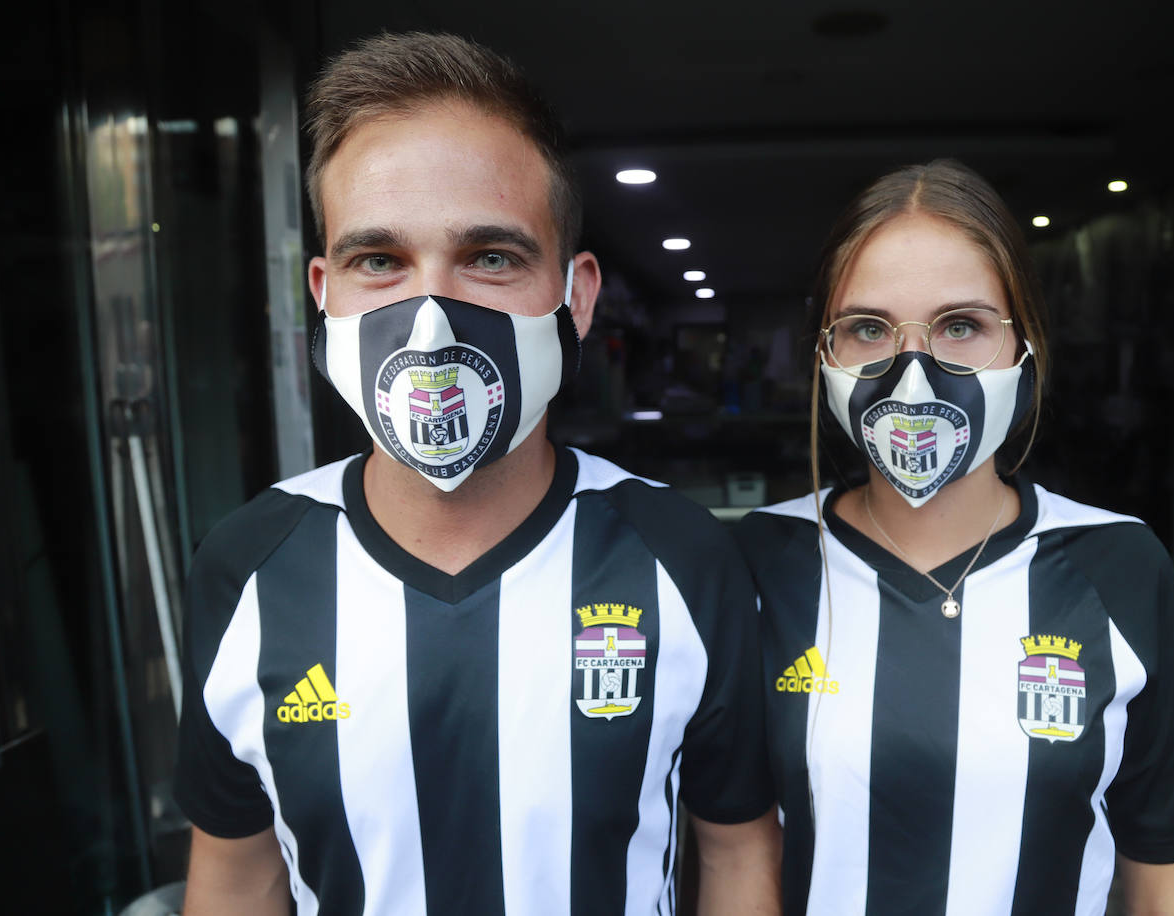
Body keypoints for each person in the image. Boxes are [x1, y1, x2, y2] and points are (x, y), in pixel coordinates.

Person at [174, 31, 780, 915]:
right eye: (378, 261)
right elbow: (236, 875)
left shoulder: (680, 554)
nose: (431, 322)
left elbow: (733, 856)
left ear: (574, 296)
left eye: (491, 257)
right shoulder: (248, 564)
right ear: (324, 293)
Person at [734, 160, 1174, 915]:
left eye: (962, 325)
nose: (913, 374)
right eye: (869, 328)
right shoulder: (760, 560)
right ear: (825, 352)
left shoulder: (1118, 563)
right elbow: (730, 851)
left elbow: (1166, 870)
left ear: (1025, 347)